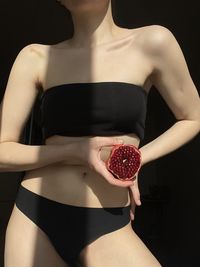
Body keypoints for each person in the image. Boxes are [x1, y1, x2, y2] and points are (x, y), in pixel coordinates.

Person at [1, 0, 200, 266]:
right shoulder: (35, 57)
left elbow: (192, 117)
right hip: (35, 216)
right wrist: (74, 151)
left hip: (108, 219)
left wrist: (138, 158)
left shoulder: (153, 42)